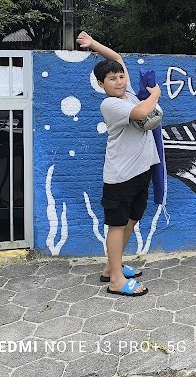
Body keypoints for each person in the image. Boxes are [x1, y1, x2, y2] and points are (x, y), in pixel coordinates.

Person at [76, 31, 160, 297]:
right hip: (121, 176)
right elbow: (142, 113)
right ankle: (116, 282)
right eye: (112, 79)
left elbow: (116, 58)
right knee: (117, 225)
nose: (119, 81)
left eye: (121, 76)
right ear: (102, 84)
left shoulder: (130, 93)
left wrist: (93, 45)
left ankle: (110, 268)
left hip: (141, 172)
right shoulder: (111, 105)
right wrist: (155, 95)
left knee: (132, 220)